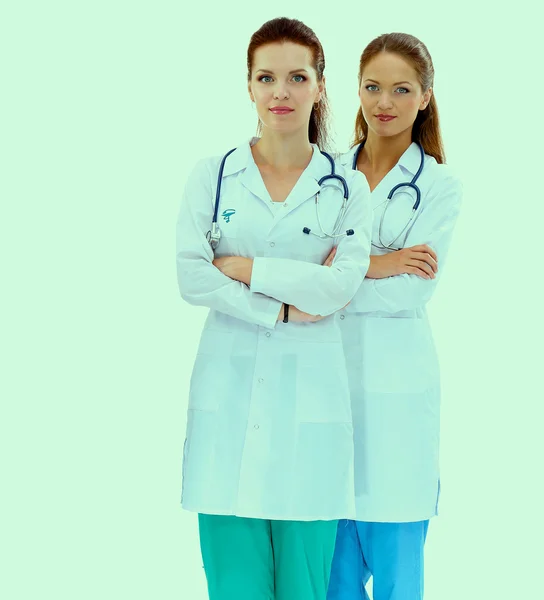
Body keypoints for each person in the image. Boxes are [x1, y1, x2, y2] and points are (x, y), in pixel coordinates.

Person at [175, 17, 373, 600]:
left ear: (318, 85)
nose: (280, 92)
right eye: (267, 77)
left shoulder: (346, 184)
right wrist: (283, 309)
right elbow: (190, 276)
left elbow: (339, 287)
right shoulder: (212, 177)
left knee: (305, 590)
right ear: (249, 85)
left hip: (309, 411)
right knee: (235, 589)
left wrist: (246, 269)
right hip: (227, 408)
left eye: (296, 77)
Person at [325, 33, 463, 600]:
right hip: (324, 386)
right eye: (373, 87)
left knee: (399, 581)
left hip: (398, 396)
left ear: (425, 97)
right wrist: (381, 264)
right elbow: (297, 271)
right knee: (329, 582)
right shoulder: (323, 173)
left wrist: (337, 276)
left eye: (402, 89)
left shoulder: (438, 185)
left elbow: (410, 294)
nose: (385, 102)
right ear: (357, 91)